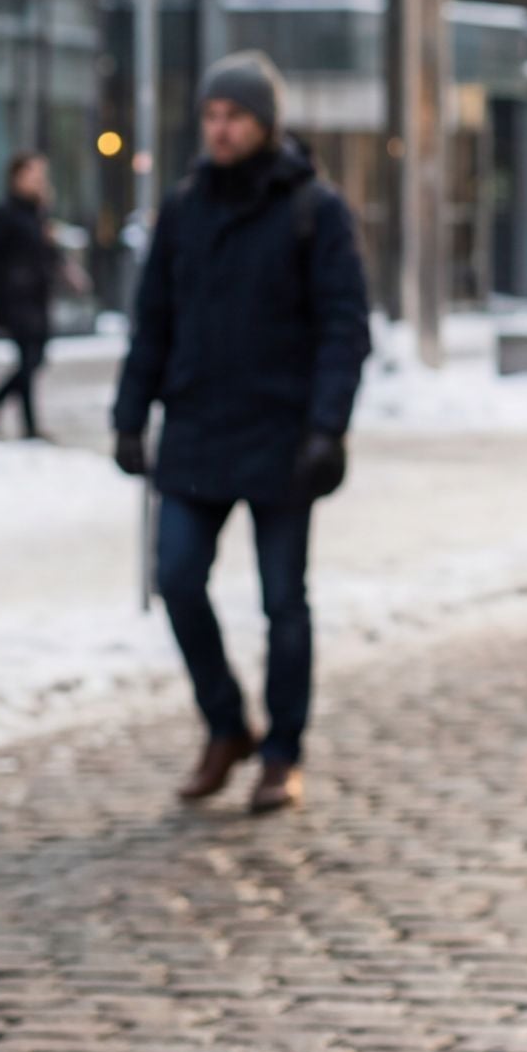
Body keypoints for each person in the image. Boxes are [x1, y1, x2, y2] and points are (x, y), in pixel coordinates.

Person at [110, 51, 371, 817]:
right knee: (178, 580)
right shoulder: (185, 208)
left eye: (234, 117)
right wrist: (130, 415)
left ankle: (282, 752)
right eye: (212, 117)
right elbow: (151, 321)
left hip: (282, 437)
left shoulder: (314, 210)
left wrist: (328, 426)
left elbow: (343, 329)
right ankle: (227, 726)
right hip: (196, 431)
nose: (219, 130)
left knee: (283, 603)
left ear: (264, 124)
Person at [0, 152, 61, 440]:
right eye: (34, 175)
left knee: (35, 358)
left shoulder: (38, 213)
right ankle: (28, 426)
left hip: (37, 296)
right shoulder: (3, 214)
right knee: (29, 358)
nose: (40, 181)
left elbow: (47, 254)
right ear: (17, 177)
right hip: (14, 297)